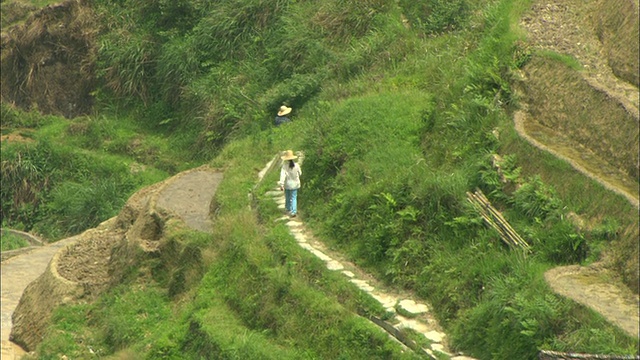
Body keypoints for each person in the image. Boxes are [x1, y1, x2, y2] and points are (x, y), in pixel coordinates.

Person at [278, 150, 302, 217]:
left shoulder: (284, 166)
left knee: (288, 196)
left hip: (287, 184)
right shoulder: (296, 165)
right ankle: (293, 211)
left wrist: (281, 184)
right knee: (294, 197)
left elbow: (282, 175)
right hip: (295, 184)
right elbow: (300, 173)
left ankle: (288, 209)